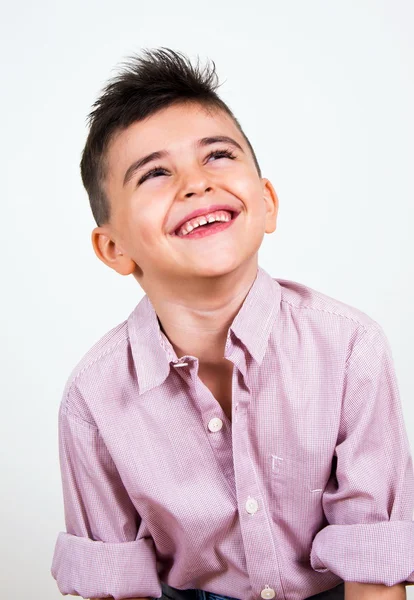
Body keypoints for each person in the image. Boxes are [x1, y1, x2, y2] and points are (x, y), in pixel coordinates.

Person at [50, 47, 414, 600]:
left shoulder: (348, 348)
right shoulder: (93, 398)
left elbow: (374, 563)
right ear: (114, 247)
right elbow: (116, 586)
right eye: (154, 172)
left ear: (266, 203)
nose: (195, 184)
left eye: (216, 156)